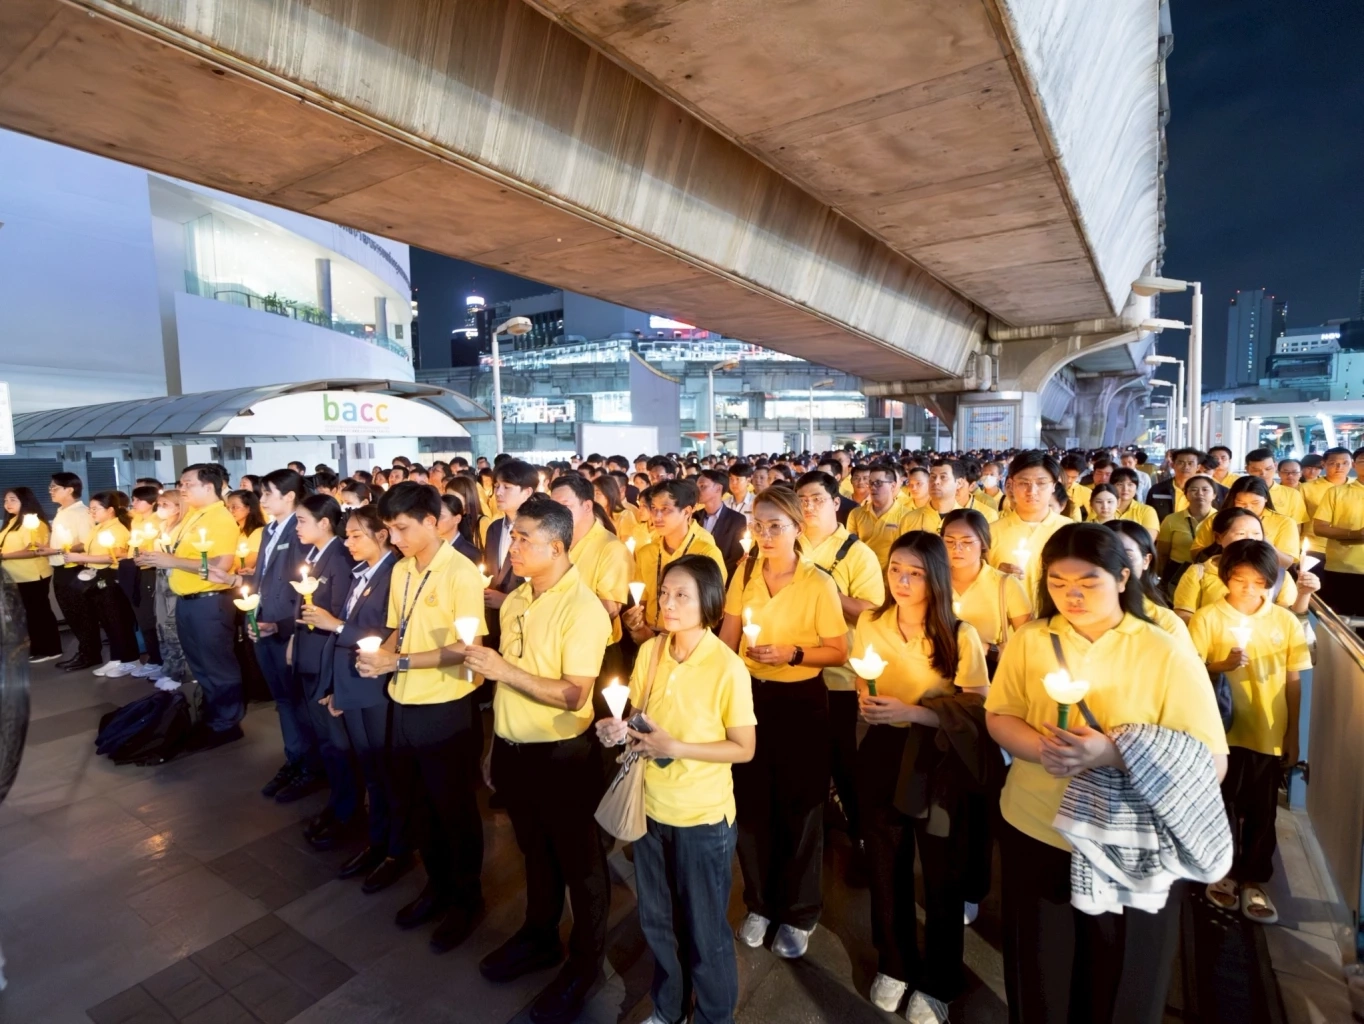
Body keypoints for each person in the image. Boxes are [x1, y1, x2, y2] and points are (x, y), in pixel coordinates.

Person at [985, 523, 1229, 1024]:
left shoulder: (1163, 650)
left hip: (1130, 840)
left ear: (1123, 577)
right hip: (1038, 828)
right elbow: (999, 714)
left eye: (1087, 581)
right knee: (1040, 979)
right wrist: (1039, 747)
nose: (1071, 595)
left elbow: (1210, 759)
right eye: (1057, 582)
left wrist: (1114, 751)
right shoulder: (1031, 639)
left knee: (1122, 987)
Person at [464, 495, 614, 1024]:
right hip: (514, 751)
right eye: (511, 533)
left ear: (557, 544)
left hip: (563, 759)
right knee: (535, 853)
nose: (513, 545)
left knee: (582, 866)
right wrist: (494, 744)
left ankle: (586, 964)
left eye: (523, 537)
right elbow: (511, 682)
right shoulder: (516, 599)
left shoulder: (583, 608)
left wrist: (501, 670)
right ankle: (539, 935)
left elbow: (575, 694)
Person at [596, 555, 756, 1024]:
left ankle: (711, 1015)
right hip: (652, 807)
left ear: (708, 601)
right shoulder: (652, 652)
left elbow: (743, 747)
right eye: (664, 593)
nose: (666, 603)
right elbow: (643, 717)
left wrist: (678, 746)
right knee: (658, 920)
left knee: (706, 931)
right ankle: (668, 1007)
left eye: (681, 595)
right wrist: (620, 730)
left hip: (702, 817)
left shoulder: (727, 667)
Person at [853, 532, 991, 1022]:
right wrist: (868, 703)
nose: (902, 581)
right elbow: (862, 677)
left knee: (941, 874)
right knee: (885, 865)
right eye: (895, 570)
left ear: (935, 577)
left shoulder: (959, 633)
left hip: (937, 759)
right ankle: (894, 962)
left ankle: (939, 980)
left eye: (914, 572)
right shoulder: (871, 622)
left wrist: (915, 712)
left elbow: (977, 707)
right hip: (882, 752)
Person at [355, 482, 488, 951]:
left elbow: (466, 648)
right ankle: (437, 886)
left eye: (403, 528)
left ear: (433, 522)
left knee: (453, 809)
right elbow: (398, 628)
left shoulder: (461, 572)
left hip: (445, 706)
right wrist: (379, 655)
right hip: (404, 701)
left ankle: (467, 899)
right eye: (389, 530)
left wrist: (400, 661)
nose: (395, 539)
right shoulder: (403, 570)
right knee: (418, 806)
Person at [720, 486, 848, 959]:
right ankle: (760, 903)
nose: (767, 534)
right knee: (752, 804)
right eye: (759, 524)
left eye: (777, 525)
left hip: (801, 702)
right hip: (751, 698)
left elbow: (838, 651)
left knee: (801, 807)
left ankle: (799, 912)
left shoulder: (817, 582)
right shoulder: (745, 572)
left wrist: (792, 653)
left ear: (798, 527)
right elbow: (727, 637)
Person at [1191, 539, 1311, 925]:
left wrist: (1293, 734)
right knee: (1220, 805)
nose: (1249, 588)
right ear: (1226, 577)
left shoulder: (1284, 621)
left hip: (1267, 729)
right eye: (1240, 579)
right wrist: (1220, 665)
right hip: (1219, 730)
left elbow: (1293, 679)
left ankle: (1253, 878)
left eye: (1259, 581)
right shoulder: (1208, 617)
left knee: (1261, 811)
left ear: (1272, 582)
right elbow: (1191, 675)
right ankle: (1221, 871)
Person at [308, 505, 412, 893]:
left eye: (356, 535)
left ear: (381, 535)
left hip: (375, 685)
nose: (348, 542)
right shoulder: (363, 573)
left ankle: (397, 849)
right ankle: (379, 841)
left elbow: (384, 632)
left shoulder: (393, 574)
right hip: (354, 682)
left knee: (386, 771)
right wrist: (335, 685)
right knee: (371, 771)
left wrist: (334, 624)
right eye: (346, 536)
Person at [795, 470, 884, 873]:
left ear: (836, 502)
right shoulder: (786, 544)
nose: (808, 506)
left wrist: (827, 589)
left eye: (816, 498)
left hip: (837, 675)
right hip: (790, 668)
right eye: (802, 499)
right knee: (801, 759)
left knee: (841, 758)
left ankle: (861, 835)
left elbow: (871, 611)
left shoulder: (857, 553)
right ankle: (811, 834)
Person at [135, 465, 245, 749]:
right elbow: (182, 554)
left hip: (209, 602)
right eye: (181, 484)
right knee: (200, 665)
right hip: (187, 600)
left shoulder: (220, 518)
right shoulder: (195, 516)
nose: (182, 489)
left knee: (217, 665)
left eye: (187, 484)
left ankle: (227, 724)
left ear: (209, 487)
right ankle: (213, 717)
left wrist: (172, 562)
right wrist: (158, 558)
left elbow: (220, 565)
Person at [290, 494, 358, 850]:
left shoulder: (341, 558)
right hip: (307, 653)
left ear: (325, 523)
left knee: (337, 740)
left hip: (327, 660)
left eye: (302, 520)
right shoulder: (312, 555)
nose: (297, 527)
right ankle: (336, 802)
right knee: (324, 737)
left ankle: (347, 809)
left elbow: (341, 618)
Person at [252, 469, 324, 803]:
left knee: (298, 701)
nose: (262, 499)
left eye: (268, 493)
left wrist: (283, 625)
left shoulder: (299, 533)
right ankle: (294, 758)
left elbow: (302, 587)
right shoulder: (268, 530)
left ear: (290, 497)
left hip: (286, 630)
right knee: (283, 701)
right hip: (264, 623)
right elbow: (262, 575)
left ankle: (311, 766)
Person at [624, 479, 727, 645]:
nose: (656, 517)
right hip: (649, 637)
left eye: (665, 509)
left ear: (686, 512)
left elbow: (713, 609)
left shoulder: (706, 553)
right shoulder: (647, 552)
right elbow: (641, 601)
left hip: (689, 641)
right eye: (654, 509)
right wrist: (636, 623)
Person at [1173, 508, 1312, 622]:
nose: (1250, 539)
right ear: (1218, 538)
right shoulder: (1199, 573)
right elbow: (1183, 616)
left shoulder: (1279, 576)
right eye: (1241, 533)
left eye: (1256, 533)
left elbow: (1289, 620)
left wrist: (1304, 594)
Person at [941, 509, 1031, 677]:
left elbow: (1028, 641)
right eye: (949, 541)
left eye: (967, 542)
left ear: (983, 543)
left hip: (987, 673)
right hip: (939, 672)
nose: (957, 548)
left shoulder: (1005, 584)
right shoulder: (934, 581)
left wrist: (989, 649)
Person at [62, 490, 140, 677]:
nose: (92, 513)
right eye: (91, 509)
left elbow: (115, 555)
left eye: (96, 509)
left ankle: (130, 659)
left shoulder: (117, 528)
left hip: (111, 577)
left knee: (117, 619)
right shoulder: (99, 527)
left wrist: (81, 557)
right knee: (107, 620)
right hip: (97, 575)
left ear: (110, 509)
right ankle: (116, 658)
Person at [987, 451, 1070, 605]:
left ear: (1054, 485)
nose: (1032, 491)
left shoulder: (1071, 531)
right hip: (1008, 624)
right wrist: (994, 575)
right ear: (1011, 485)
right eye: (1024, 483)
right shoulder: (991, 532)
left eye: (1041, 483)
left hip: (1057, 623)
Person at [1104, 519, 1192, 648]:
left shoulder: (1166, 623)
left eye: (1128, 556)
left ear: (1146, 560)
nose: (1115, 564)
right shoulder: (1074, 614)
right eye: (1107, 555)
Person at [42, 472, 98, 670]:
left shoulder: (81, 513)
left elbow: (85, 543)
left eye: (54, 488)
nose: (50, 491)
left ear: (70, 489)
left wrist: (56, 550)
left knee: (80, 613)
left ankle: (90, 654)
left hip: (75, 568)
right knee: (71, 613)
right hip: (60, 566)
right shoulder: (62, 512)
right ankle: (85, 651)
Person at [0, 487, 62, 662]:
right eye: (5, 500)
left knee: (39, 612)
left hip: (32, 575)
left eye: (13, 499)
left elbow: (34, 551)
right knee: (27, 614)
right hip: (16, 575)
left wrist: (3, 555)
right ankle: (36, 646)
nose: (7, 504)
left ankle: (51, 649)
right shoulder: (12, 521)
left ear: (25, 501)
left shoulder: (34, 523)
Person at [1191, 476, 1300, 568]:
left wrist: (1264, 542)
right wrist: (1221, 546)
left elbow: (1286, 563)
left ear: (1266, 499)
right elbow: (1196, 553)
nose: (1248, 507)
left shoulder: (1284, 522)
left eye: (1255, 502)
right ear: (1233, 499)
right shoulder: (1217, 518)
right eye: (1240, 502)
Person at [1312, 447, 1364, 616]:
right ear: (1354, 465)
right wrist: (1355, 534)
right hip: (1342, 568)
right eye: (1363, 461)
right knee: (1339, 622)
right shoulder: (1336, 492)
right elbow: (1319, 527)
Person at [1155, 474, 1217, 599]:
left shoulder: (1223, 519)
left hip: (1212, 573)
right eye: (1194, 490)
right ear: (1186, 494)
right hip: (1177, 573)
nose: (1200, 493)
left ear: (1214, 495)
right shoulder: (1171, 520)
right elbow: (1162, 554)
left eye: (1205, 490)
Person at [848, 461, 915, 569]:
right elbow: (851, 548)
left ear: (892, 486)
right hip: (863, 573)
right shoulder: (856, 514)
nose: (873, 487)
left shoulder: (907, 516)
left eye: (878, 483)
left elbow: (909, 552)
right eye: (870, 483)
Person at [695, 469, 748, 578]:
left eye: (703, 486)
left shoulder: (736, 520)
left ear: (718, 488)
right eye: (697, 487)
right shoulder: (694, 517)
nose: (697, 491)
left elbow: (735, 558)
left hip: (721, 579)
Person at [1244, 449, 1308, 531]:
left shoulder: (1292, 494)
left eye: (1268, 469)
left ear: (1275, 466)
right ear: (1247, 469)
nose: (1263, 474)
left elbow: (1297, 526)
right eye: (1256, 470)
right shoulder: (1239, 493)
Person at [1109, 468, 1159, 538]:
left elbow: (1148, 541)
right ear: (1111, 486)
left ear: (1136, 488)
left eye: (1130, 484)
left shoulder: (1147, 511)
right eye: (1120, 484)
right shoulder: (1102, 508)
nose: (1125, 489)